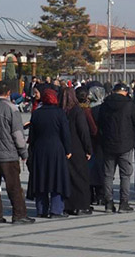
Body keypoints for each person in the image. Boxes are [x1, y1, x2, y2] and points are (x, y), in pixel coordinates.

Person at [0, 80, 34, 225]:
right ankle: (19, 214)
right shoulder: (11, 109)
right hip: (7, 153)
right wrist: (23, 152)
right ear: (8, 93)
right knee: (13, 185)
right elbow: (17, 133)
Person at [96, 82, 135, 213]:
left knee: (108, 175)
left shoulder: (104, 105)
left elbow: (99, 123)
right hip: (125, 144)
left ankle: (109, 203)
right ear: (125, 92)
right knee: (125, 174)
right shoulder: (129, 105)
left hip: (108, 143)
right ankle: (124, 202)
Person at [26, 88, 71, 218]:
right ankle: (56, 210)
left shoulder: (37, 113)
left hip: (40, 148)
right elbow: (65, 134)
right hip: (56, 149)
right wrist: (68, 150)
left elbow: (32, 135)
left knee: (41, 179)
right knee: (57, 179)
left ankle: (41, 209)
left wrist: (32, 148)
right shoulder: (60, 113)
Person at [60, 87, 93, 215]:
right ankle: (81, 205)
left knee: (67, 177)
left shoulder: (60, 110)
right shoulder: (77, 111)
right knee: (81, 178)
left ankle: (68, 205)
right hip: (77, 147)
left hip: (64, 147)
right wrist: (88, 148)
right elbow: (83, 131)